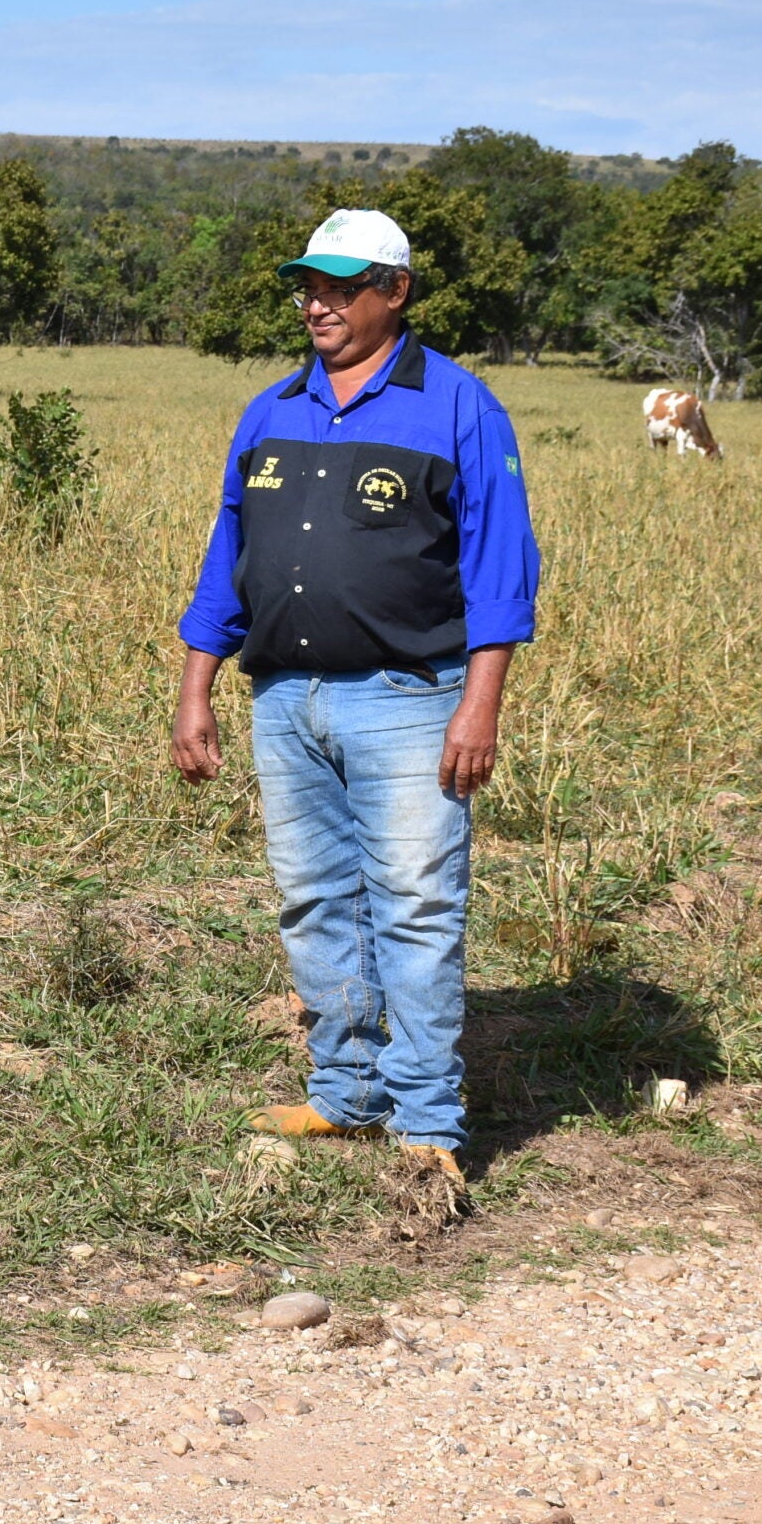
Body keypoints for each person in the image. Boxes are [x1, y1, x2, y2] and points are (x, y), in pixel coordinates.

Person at [169, 208, 541, 1184]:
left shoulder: (458, 407)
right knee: (313, 903)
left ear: (396, 291)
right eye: (309, 285)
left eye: (341, 285)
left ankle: (427, 1126)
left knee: (416, 909)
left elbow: (500, 570)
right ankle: (345, 1096)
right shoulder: (271, 411)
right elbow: (227, 560)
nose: (318, 303)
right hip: (285, 702)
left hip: (411, 700)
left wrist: (479, 706)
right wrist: (195, 687)